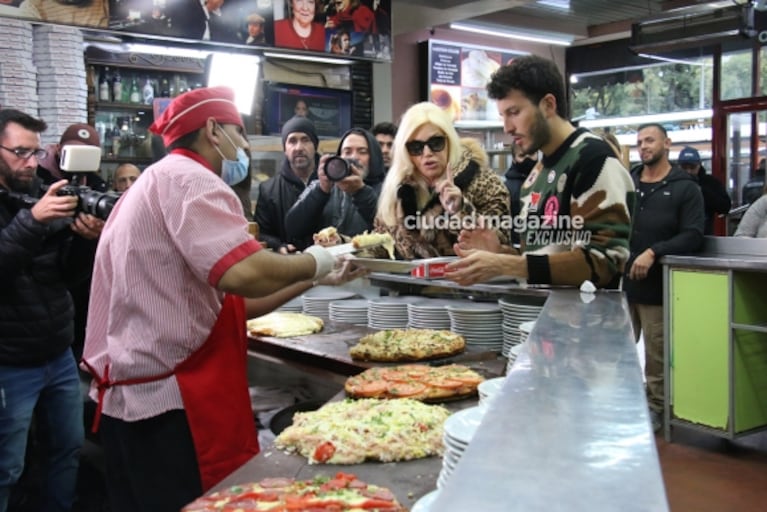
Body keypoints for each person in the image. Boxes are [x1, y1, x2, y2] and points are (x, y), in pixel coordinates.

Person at [79, 87, 358, 512]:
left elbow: (226, 308)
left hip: (134, 410)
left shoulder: (153, 181)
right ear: (212, 129)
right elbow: (244, 273)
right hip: (172, 408)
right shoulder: (191, 181)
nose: (244, 145)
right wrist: (315, 260)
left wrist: (317, 279)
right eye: (238, 132)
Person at [444, 55, 634, 289]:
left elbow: (603, 262)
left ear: (548, 105)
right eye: (503, 116)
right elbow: (541, 257)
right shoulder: (536, 174)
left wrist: (504, 264)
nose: (507, 127)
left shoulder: (592, 160)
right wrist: (501, 253)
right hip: (542, 319)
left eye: (514, 112)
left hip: (589, 321)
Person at [0, 109, 104, 512]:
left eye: (35, 151)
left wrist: (83, 241)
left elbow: (66, 276)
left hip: (58, 353)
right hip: (10, 362)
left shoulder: (42, 189)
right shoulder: (35, 206)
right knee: (7, 467)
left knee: (68, 450)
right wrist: (32, 221)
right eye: (19, 152)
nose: (29, 162)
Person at [625, 123, 704, 432]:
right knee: (613, 351)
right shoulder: (630, 181)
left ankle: (656, 409)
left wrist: (654, 252)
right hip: (621, 285)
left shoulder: (685, 187)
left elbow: (694, 235)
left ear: (667, 144)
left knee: (656, 356)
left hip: (657, 287)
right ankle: (623, 402)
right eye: (640, 141)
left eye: (650, 140)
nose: (644, 146)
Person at [373, 101, 510, 259]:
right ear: (406, 152)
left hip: (466, 281)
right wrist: (344, 245)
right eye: (416, 147)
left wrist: (461, 210)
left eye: (435, 143)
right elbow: (380, 246)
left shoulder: (485, 183)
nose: (427, 153)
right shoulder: (397, 188)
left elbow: (502, 247)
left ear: (449, 141)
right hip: (409, 283)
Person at [285, 127, 384, 243]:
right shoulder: (321, 185)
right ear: (339, 157)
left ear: (374, 157)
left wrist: (360, 192)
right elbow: (292, 228)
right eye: (347, 152)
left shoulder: (387, 190)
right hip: (326, 259)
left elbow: (391, 230)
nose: (354, 157)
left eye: (362, 152)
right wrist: (321, 190)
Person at [254, 115, 318, 252]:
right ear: (285, 149)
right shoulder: (268, 190)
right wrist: (278, 245)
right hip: (289, 266)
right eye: (292, 141)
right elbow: (261, 233)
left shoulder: (333, 184)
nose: (299, 147)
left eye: (305, 140)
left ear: (315, 145)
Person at [36, 122, 108, 191]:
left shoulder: (95, 183)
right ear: (59, 149)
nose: (78, 157)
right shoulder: (38, 176)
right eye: (74, 151)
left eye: (84, 153)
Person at [677, 146, 731, 235]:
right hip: (676, 235)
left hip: (703, 235)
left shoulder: (710, 183)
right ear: (679, 167)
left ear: (699, 165)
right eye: (684, 167)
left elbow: (725, 207)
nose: (688, 171)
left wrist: (702, 191)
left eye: (692, 167)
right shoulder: (671, 183)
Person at [503, 142, 538, 246]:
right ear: (514, 159)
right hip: (517, 244)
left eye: (531, 154)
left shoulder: (546, 180)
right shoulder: (505, 188)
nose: (528, 159)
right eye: (522, 156)